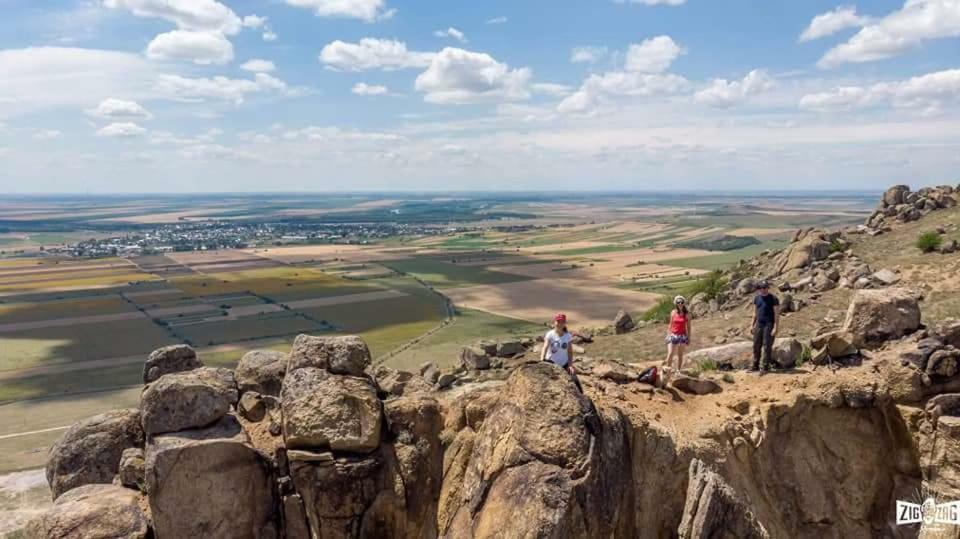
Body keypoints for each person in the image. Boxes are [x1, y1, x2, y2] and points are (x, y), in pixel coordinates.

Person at [541, 313, 582, 391]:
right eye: (558, 321)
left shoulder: (567, 336)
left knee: (575, 381)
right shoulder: (550, 334)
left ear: (564, 323)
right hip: (551, 363)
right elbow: (545, 347)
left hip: (564, 364)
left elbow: (570, 352)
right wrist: (542, 360)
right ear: (555, 322)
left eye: (562, 322)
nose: (560, 324)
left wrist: (570, 365)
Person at [751, 280, 780, 372]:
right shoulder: (757, 298)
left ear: (768, 288)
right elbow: (754, 313)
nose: (763, 289)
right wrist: (751, 325)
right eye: (761, 288)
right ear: (759, 289)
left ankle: (765, 366)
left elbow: (776, 314)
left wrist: (776, 327)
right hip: (759, 324)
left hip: (769, 324)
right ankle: (755, 365)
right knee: (756, 345)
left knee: (767, 345)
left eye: (765, 287)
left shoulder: (773, 299)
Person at [664, 295, 691, 370]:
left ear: (684, 303)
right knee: (670, 354)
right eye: (678, 302)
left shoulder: (687, 314)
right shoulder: (673, 312)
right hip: (673, 335)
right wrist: (668, 334)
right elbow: (670, 324)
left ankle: (678, 370)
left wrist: (689, 338)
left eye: (681, 302)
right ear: (676, 303)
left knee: (680, 355)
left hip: (682, 336)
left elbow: (688, 327)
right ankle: (667, 370)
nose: (680, 303)